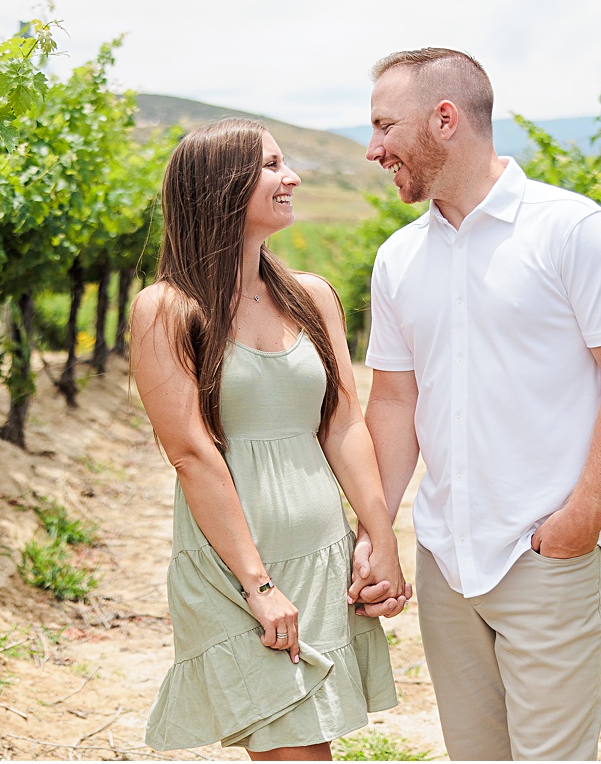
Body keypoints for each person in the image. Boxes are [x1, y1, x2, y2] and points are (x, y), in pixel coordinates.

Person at [351, 48, 601, 761]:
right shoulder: (398, 258)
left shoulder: (572, 230)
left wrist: (583, 515)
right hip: (445, 563)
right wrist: (378, 527)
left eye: (383, 126)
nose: (373, 149)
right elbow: (395, 402)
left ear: (445, 119)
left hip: (545, 557)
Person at [133, 119, 406, 761]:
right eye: (272, 166)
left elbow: (342, 422)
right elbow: (191, 453)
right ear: (221, 188)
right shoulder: (167, 310)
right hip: (235, 565)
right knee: (296, 751)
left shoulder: (311, 297)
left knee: (313, 745)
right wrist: (257, 585)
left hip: (319, 550)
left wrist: (380, 536)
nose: (293, 178)